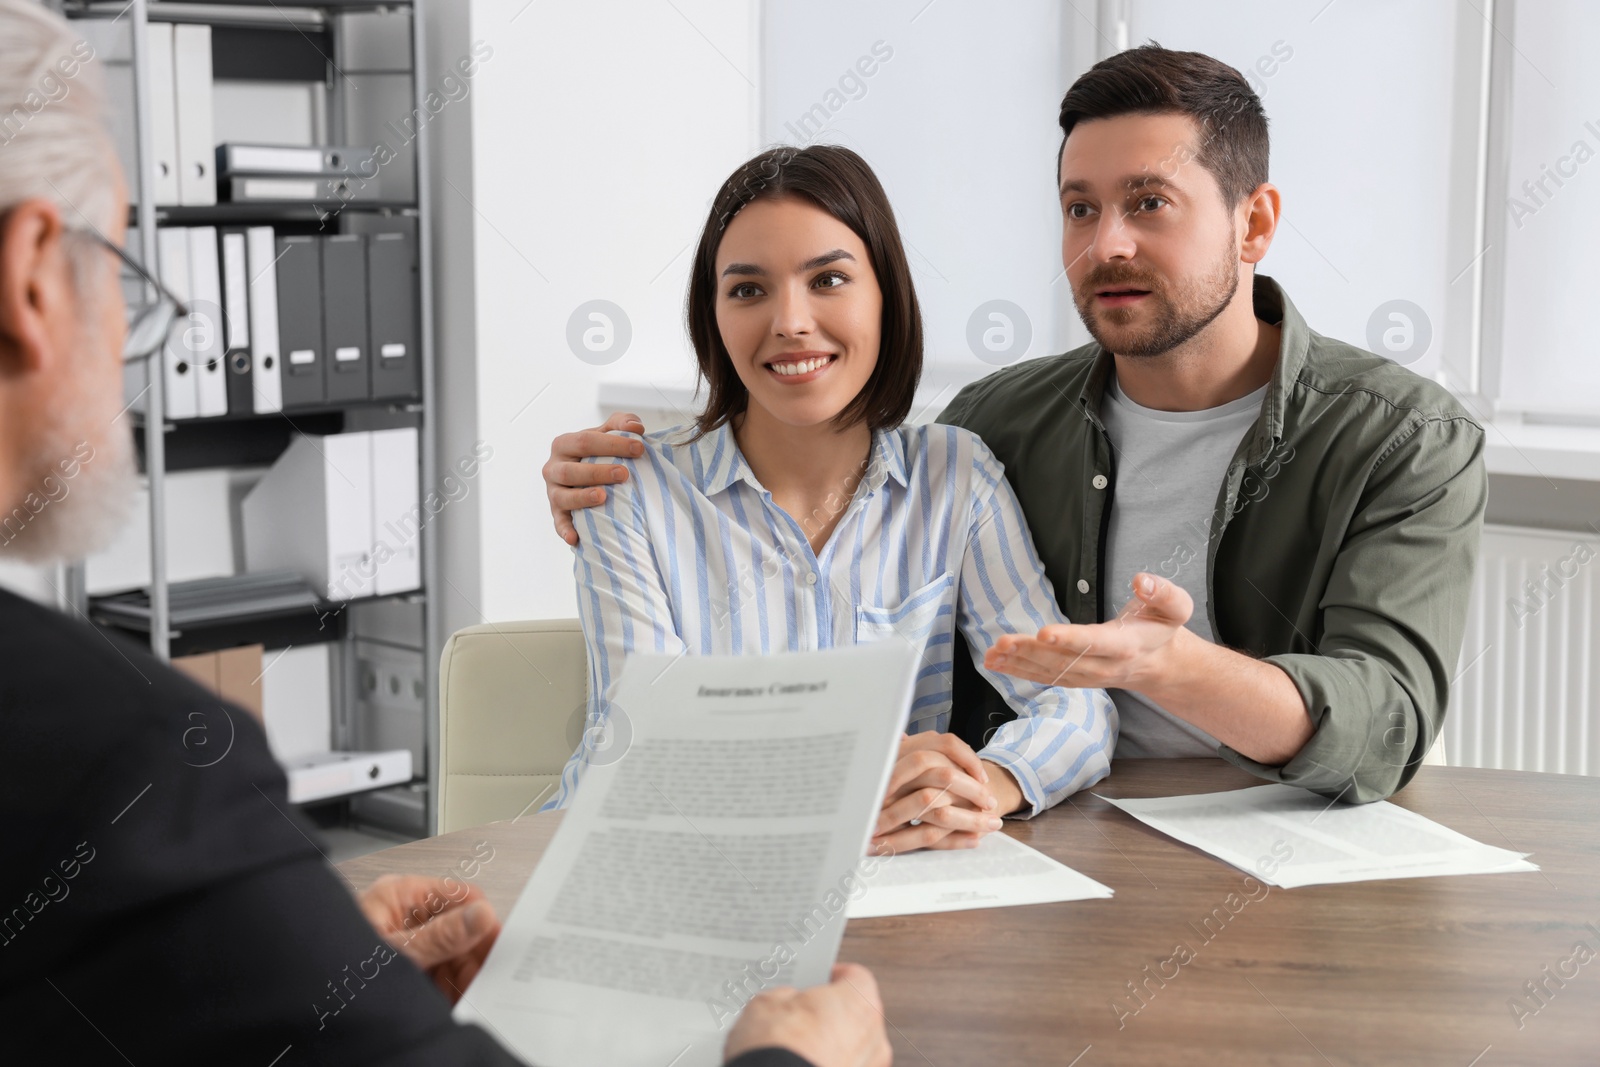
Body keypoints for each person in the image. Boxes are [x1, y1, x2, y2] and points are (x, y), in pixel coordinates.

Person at [0, 4, 887, 1065]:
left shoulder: (954, 476)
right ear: (33, 277)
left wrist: (283, 959)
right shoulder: (131, 761)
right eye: (124, 266)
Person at [543, 44, 1487, 808]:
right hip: (1045, 841)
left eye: (1148, 203)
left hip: (1272, 840)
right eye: (1081, 208)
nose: (1105, 241)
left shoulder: (1402, 439)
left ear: (1256, 223)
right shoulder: (997, 426)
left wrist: (1170, 666)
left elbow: (1388, 722)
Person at [547, 145, 1116, 851]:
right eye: (748, 290)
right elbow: (644, 751)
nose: (790, 321)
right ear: (714, 317)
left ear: (886, 295)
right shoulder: (628, 490)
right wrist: (852, 785)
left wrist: (978, 786)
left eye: (829, 279)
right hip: (635, 863)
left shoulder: (954, 476)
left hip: (865, 879)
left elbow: (1076, 700)